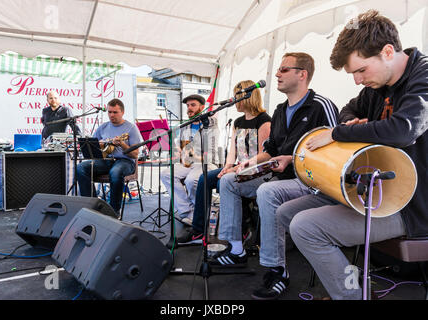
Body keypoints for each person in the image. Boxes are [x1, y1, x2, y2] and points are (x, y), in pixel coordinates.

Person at [256, 10, 428, 300]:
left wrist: (338, 133)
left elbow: (402, 130)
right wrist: (353, 124)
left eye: (361, 70)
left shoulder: (422, 78)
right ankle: (353, 287)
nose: (358, 80)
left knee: (306, 227)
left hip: (410, 204)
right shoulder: (378, 85)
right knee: (284, 212)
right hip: (371, 189)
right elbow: (348, 109)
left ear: (387, 52)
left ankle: (350, 296)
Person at [209, 52, 339, 269]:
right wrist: (249, 163)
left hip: (310, 181)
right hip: (278, 176)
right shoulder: (279, 111)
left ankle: (275, 268)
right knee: (228, 181)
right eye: (278, 69)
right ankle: (236, 249)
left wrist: (292, 158)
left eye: (284, 69)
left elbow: (336, 150)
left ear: (302, 75)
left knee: (267, 192)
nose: (277, 73)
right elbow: (270, 150)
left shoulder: (321, 106)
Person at [176, 80, 272, 244]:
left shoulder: (264, 120)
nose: (234, 101)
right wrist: (227, 167)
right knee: (204, 178)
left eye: (237, 97)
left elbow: (266, 155)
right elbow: (232, 150)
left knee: (223, 184)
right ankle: (198, 230)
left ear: (246, 97)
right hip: (238, 168)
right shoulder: (238, 122)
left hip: (257, 169)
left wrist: (237, 168)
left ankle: (243, 226)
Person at [161, 94, 220, 224]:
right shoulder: (185, 126)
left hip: (206, 162)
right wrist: (179, 151)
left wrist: (191, 154)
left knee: (191, 180)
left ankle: (199, 213)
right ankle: (188, 211)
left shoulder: (210, 125)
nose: (189, 108)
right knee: (166, 174)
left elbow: (209, 153)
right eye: (187, 105)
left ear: (202, 107)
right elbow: (184, 148)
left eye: (193, 105)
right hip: (189, 162)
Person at [76, 98, 142, 214]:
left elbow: (135, 155)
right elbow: (94, 145)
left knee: (115, 172)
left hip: (126, 162)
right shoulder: (103, 127)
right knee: (81, 167)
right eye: (109, 112)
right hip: (106, 160)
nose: (111, 115)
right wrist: (100, 144)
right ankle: (93, 206)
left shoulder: (131, 128)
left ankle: (113, 211)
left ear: (122, 112)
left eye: (115, 112)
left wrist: (122, 144)